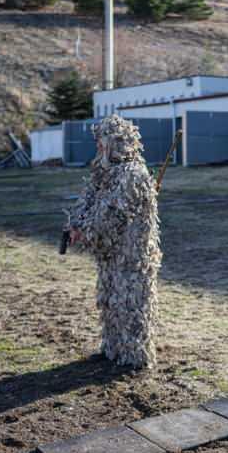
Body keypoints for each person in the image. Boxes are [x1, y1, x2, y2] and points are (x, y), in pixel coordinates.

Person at [66, 114, 161, 369]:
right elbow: (88, 200)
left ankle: (134, 358)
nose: (98, 147)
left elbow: (111, 214)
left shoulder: (133, 174)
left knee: (131, 306)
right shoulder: (104, 173)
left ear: (117, 143)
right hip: (109, 254)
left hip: (132, 258)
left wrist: (86, 232)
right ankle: (112, 350)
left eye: (102, 142)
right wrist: (76, 224)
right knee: (109, 302)